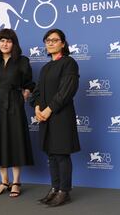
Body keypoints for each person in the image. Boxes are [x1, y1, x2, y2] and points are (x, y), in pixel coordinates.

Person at [0, 28, 35, 198]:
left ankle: (16, 182)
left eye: (8, 41)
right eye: (2, 40)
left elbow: (29, 83)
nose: (5, 44)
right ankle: (4, 181)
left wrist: (24, 94)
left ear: (14, 44)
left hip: (14, 103)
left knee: (15, 139)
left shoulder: (22, 61)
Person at [32, 28, 80, 207]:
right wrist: (37, 107)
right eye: (47, 40)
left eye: (54, 40)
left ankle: (64, 191)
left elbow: (66, 91)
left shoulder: (69, 63)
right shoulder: (45, 67)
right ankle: (54, 188)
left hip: (60, 116)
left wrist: (49, 109)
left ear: (63, 43)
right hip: (45, 117)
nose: (50, 43)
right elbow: (37, 92)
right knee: (51, 154)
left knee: (61, 154)